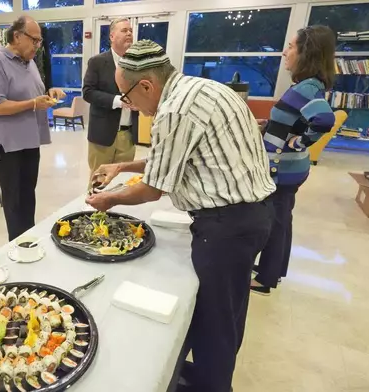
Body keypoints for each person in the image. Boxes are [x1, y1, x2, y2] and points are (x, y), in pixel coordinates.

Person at [86, 40, 276, 392]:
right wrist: (122, 165)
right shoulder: (203, 89)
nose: (128, 105)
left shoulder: (173, 110)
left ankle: (213, 385)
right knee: (228, 311)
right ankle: (207, 376)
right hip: (254, 216)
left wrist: (108, 199)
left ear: (146, 85)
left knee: (216, 321)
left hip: (227, 225)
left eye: (127, 96)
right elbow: (174, 154)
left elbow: (152, 188)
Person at [251, 25, 336, 295]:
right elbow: (294, 121)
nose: (284, 52)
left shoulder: (307, 88)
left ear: (305, 52)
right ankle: (273, 270)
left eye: (290, 46)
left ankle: (265, 279)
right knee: (281, 220)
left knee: (274, 223)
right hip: (291, 169)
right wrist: (269, 126)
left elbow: (324, 120)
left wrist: (297, 143)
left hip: (282, 171)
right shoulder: (306, 85)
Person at [0, 15, 66, 241]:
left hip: (30, 141)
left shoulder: (28, 62)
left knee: (28, 198)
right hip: (9, 146)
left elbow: (33, 94)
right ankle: (16, 248)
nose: (38, 46)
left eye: (40, 41)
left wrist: (49, 94)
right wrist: (33, 104)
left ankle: (28, 242)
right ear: (17, 36)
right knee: (14, 204)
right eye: (35, 40)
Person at [83, 18, 139, 187]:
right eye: (124, 30)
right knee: (98, 182)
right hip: (103, 134)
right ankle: (94, 213)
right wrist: (117, 101)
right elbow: (88, 92)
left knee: (121, 183)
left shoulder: (137, 63)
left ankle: (115, 213)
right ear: (112, 36)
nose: (129, 33)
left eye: (130, 30)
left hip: (128, 135)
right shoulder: (97, 62)